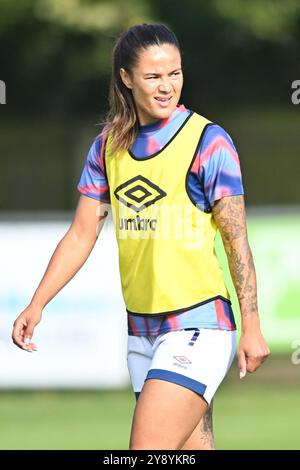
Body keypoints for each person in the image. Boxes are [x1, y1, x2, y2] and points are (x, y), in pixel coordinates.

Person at [12, 23, 270, 450]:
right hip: (141, 333)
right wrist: (37, 303)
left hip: (198, 326)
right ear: (126, 78)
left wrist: (253, 325)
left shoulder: (209, 142)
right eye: (153, 76)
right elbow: (81, 235)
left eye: (175, 73)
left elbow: (236, 240)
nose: (167, 86)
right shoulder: (108, 147)